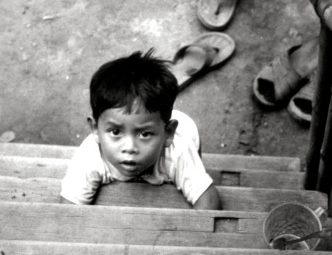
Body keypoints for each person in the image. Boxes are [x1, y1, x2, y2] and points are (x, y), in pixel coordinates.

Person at [60, 49, 221, 210]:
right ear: (95, 129)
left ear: (168, 134)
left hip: (187, 134)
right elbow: (67, 210)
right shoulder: (90, 157)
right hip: (155, 125)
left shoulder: (178, 151)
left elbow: (209, 202)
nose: (129, 148)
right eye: (116, 132)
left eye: (144, 134)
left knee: (192, 171)